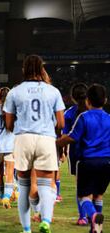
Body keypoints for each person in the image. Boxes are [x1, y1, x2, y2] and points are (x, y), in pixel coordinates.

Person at [3, 55, 65, 233]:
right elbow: (61, 123)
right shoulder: (53, 91)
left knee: (24, 186)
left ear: (24, 69)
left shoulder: (15, 91)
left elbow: (8, 124)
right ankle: (45, 220)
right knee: (46, 183)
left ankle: (27, 229)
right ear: (41, 68)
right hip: (45, 138)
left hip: (23, 138)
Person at [57, 84, 109, 233]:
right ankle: (95, 229)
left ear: (88, 101)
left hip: (87, 161)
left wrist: (56, 143)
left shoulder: (84, 117)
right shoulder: (109, 118)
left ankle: (92, 216)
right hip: (106, 162)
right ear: (105, 100)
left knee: (84, 196)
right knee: (98, 195)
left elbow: (72, 137)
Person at [60, 83, 89, 225]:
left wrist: (61, 151)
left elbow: (65, 135)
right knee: (95, 186)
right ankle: (94, 213)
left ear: (72, 97)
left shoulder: (69, 113)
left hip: (77, 154)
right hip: (98, 154)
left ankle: (83, 216)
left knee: (81, 185)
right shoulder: (95, 111)